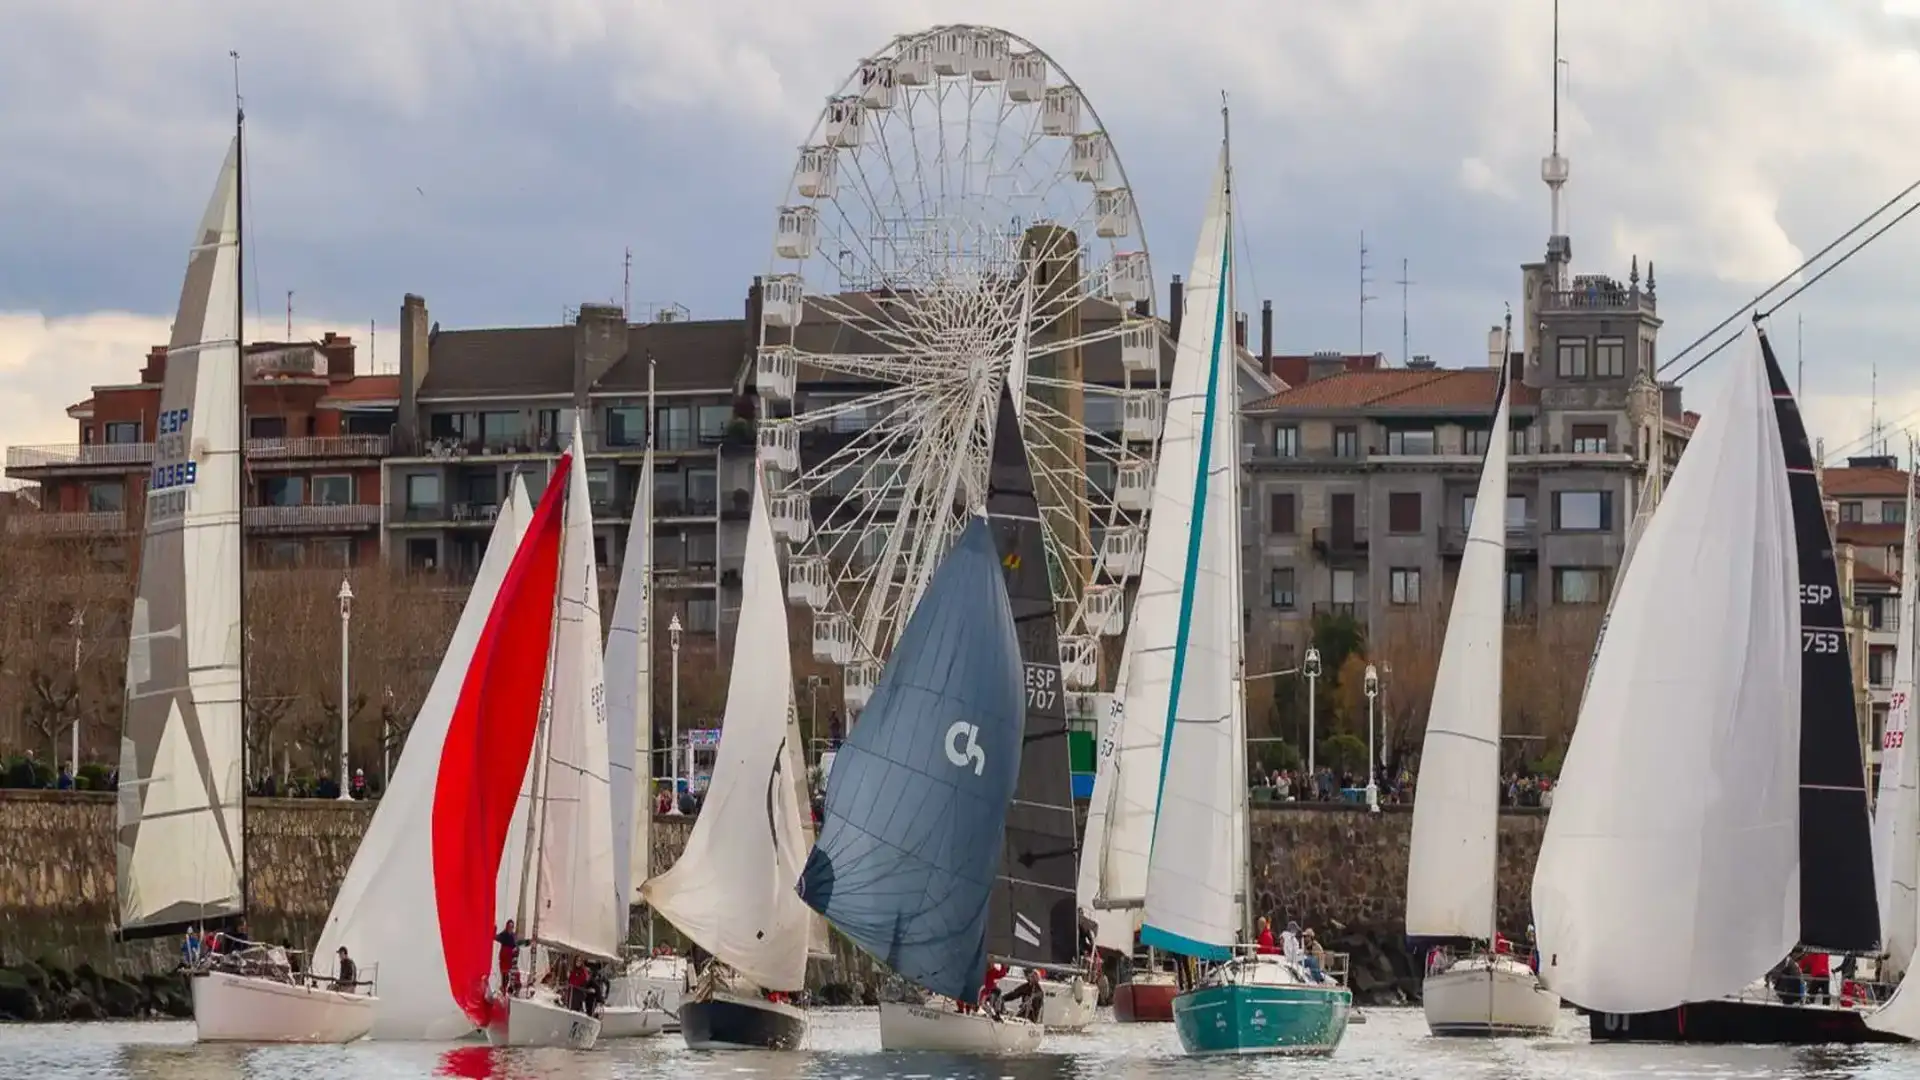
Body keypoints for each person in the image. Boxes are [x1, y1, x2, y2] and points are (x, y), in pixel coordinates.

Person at [495, 920, 522, 994]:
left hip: (512, 958)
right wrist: (494, 930)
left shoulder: (514, 936)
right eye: (509, 926)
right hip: (504, 958)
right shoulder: (503, 935)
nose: (511, 928)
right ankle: (503, 990)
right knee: (505, 975)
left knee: (516, 973)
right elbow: (495, 937)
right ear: (507, 927)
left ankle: (515, 988)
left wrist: (528, 942)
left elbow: (518, 944)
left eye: (512, 926)